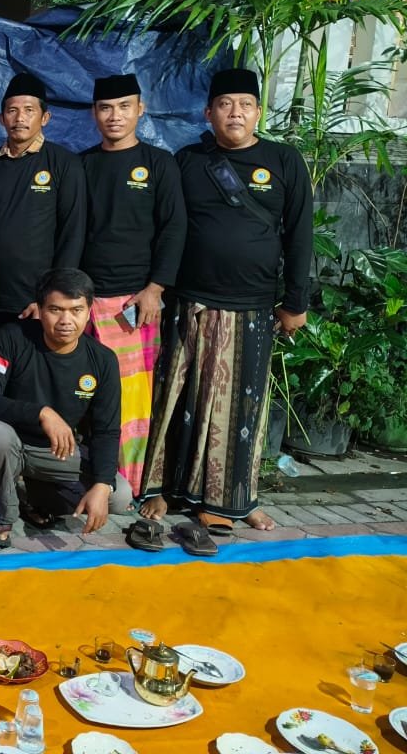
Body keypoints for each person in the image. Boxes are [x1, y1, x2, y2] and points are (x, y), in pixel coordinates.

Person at [137, 68, 312, 539]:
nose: (236, 112)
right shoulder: (189, 160)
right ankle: (164, 489)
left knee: (239, 411)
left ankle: (235, 499)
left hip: (252, 308)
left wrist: (295, 302)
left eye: (245, 104)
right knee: (178, 400)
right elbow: (166, 227)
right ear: (208, 112)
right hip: (189, 303)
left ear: (258, 112)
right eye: (225, 104)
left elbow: (300, 234)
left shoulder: (284, 160)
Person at [0, 268, 131, 548]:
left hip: (56, 453)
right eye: (56, 310)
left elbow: (107, 430)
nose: (66, 320)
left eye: (76, 310)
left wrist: (102, 485)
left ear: (89, 312)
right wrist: (41, 413)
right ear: (40, 310)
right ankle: (3, 515)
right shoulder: (13, 337)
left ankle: (36, 495)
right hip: (10, 442)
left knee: (120, 496)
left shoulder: (103, 360)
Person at [78, 73, 186, 495]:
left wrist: (155, 288)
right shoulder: (82, 164)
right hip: (83, 301)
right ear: (94, 113)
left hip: (134, 302)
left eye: (124, 106)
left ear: (141, 109)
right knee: (79, 390)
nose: (115, 116)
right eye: (106, 108)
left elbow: (173, 228)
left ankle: (128, 484)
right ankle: (77, 477)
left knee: (131, 399)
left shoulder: (159, 163)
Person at [0, 72, 86, 330]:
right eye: (12, 111)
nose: (20, 118)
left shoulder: (64, 164)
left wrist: (53, 298)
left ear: (45, 118)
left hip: (37, 303)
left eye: (29, 110)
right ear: (1, 118)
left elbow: (72, 233)